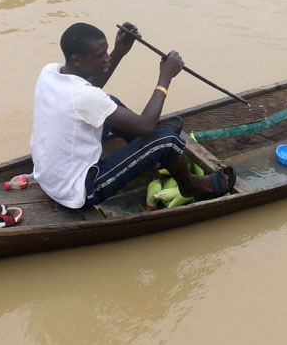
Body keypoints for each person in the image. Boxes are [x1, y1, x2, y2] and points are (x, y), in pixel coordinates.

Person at [31, 21, 234, 209]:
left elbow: (93, 89)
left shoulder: (50, 72)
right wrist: (165, 77)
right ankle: (189, 184)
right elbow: (145, 126)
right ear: (77, 60)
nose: (107, 58)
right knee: (167, 140)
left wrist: (119, 51)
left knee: (110, 102)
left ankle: (150, 155)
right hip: (78, 191)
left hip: (48, 177)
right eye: (101, 55)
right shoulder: (83, 96)